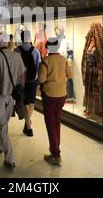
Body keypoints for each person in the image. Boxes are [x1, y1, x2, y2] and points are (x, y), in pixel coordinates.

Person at [0, 33, 26, 169]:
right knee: (3, 123)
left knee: (2, 125)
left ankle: (9, 158)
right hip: (12, 96)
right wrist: (20, 91)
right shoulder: (17, 56)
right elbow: (22, 76)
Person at [38, 36, 73, 165]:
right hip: (62, 95)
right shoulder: (63, 60)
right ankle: (56, 148)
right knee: (57, 122)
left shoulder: (45, 62)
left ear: (47, 47)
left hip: (50, 96)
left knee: (50, 124)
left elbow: (41, 80)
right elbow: (70, 75)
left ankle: (55, 154)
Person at [14, 30, 41, 137]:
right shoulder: (36, 51)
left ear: (21, 38)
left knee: (24, 103)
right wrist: (38, 81)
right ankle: (28, 124)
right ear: (29, 38)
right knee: (31, 103)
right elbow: (39, 67)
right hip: (32, 80)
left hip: (21, 81)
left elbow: (14, 68)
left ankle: (28, 126)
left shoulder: (16, 51)